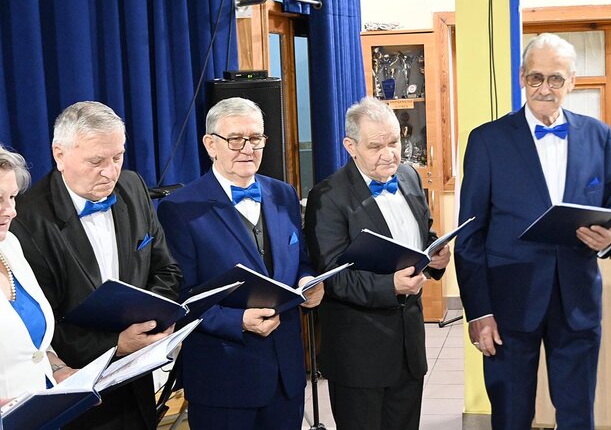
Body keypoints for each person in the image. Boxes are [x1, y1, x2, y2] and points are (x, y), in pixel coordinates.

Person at [454, 33, 611, 430]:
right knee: (511, 418)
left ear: (572, 82)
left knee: (578, 417)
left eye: (555, 79)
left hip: (578, 304)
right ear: (522, 77)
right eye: (535, 78)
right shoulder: (487, 140)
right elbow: (469, 237)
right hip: (508, 306)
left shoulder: (598, 136)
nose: (544, 89)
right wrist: (478, 311)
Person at [11, 101, 182, 429]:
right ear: (60, 155)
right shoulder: (26, 220)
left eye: (118, 157)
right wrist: (115, 344)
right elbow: (40, 326)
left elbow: (166, 269)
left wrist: (155, 320)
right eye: (96, 161)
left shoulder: (133, 187)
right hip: (77, 388)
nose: (110, 172)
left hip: (137, 381)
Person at [156, 97, 324, 430]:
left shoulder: (284, 194)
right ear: (210, 145)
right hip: (224, 381)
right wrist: (238, 321)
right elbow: (180, 298)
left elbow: (301, 262)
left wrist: (308, 282)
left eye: (256, 138)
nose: (248, 149)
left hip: (286, 378)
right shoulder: (179, 208)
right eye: (235, 139)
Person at [304, 96, 451, 430]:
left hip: (409, 349)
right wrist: (390, 286)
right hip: (359, 355)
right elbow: (332, 277)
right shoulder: (327, 197)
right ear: (351, 147)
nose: (389, 154)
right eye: (376, 146)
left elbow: (421, 236)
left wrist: (435, 258)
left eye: (394, 142)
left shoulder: (409, 176)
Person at [0, 146, 74, 405]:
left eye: (12, 197)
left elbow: (33, 346)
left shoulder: (10, 245)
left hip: (42, 410)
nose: (11, 210)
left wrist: (59, 369)